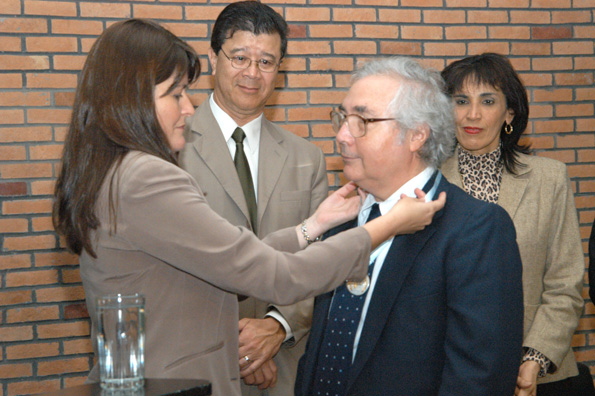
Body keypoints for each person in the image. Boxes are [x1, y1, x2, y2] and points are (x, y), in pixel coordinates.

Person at [52, 19, 446, 396]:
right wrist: (386, 226)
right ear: (133, 100)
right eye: (175, 95)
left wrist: (312, 226)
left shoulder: (115, 170)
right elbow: (275, 275)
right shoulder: (146, 177)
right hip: (176, 383)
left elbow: (228, 258)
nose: (188, 109)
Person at [295, 57, 524, 396]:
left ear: (417, 135)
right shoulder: (341, 219)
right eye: (343, 118)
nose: (343, 135)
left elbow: (478, 378)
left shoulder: (475, 230)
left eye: (362, 121)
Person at [178, 2, 323, 394]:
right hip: (197, 364)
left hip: (286, 367)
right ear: (213, 58)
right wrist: (240, 348)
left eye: (266, 62)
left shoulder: (307, 158)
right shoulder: (171, 147)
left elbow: (322, 260)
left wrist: (276, 328)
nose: (252, 74)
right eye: (240, 57)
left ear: (280, 70)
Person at [440, 53, 587, 396]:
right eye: (460, 101)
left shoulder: (550, 179)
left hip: (538, 374)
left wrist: (534, 358)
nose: (472, 114)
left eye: (487, 101)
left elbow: (565, 284)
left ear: (509, 113)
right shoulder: (424, 181)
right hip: (451, 373)